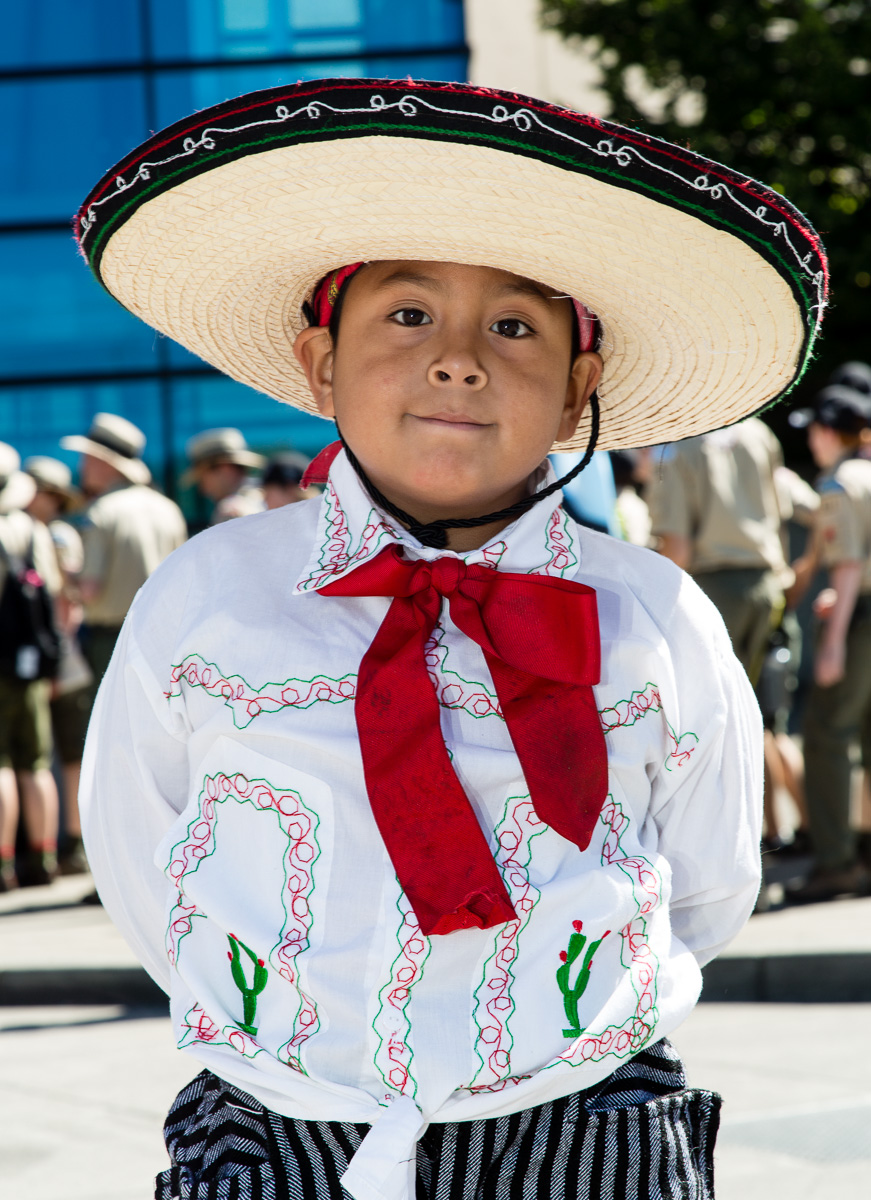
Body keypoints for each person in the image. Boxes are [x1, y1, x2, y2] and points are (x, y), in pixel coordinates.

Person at [75, 78, 826, 1198]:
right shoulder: (207, 600)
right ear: (321, 361)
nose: (459, 360)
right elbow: (142, 852)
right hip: (274, 1117)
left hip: (588, 1124)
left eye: (514, 326)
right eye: (408, 314)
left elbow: (706, 883)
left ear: (580, 392)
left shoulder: (654, 618)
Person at [787, 386, 871, 901]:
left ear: (825, 432)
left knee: (826, 734)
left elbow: (848, 564)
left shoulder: (839, 484)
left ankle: (837, 862)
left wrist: (833, 639)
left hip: (860, 617)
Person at [646, 418, 792, 683]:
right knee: (763, 702)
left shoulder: (676, 445)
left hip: (713, 592)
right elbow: (781, 515)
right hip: (768, 586)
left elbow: (677, 551)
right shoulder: (759, 432)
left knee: (711, 699)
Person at [60, 413, 187, 694]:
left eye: (88, 458)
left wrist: (64, 574)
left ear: (106, 463)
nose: (82, 466)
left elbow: (89, 590)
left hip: (111, 642)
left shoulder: (100, 512)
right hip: (164, 638)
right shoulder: (168, 509)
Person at [24, 456, 92, 874]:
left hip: (61, 659)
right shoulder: (46, 533)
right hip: (54, 655)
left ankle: (75, 844)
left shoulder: (57, 536)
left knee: (68, 753)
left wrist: (57, 655)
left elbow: (68, 602)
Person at [0, 444, 62, 890]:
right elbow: (53, 595)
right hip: (31, 662)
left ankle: (4, 864)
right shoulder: (32, 529)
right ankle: (44, 858)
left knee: (1, 765)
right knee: (36, 762)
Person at [184, 427, 265, 522]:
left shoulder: (230, 512)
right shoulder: (269, 497)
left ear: (224, 468)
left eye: (202, 479)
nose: (203, 490)